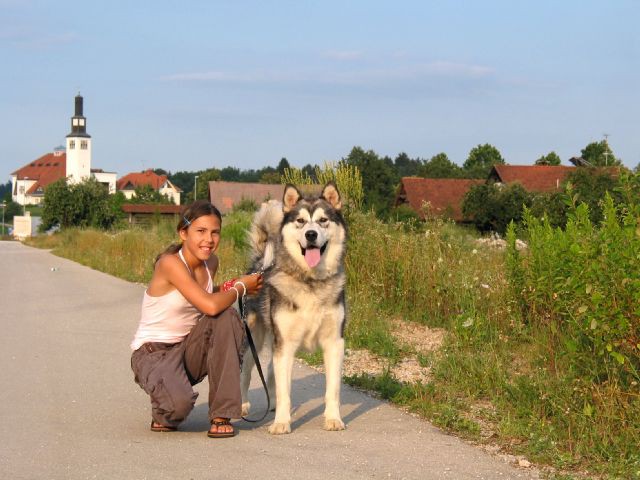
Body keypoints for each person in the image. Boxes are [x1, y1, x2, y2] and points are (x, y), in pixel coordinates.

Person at [130, 200, 262, 438]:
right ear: (184, 233)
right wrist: (240, 288)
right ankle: (165, 404)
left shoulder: (211, 262)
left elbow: (206, 297)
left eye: (215, 232)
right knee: (176, 410)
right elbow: (210, 306)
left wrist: (233, 285)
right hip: (153, 353)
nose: (209, 240)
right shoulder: (169, 263)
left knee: (227, 317)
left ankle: (222, 413)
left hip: (187, 349)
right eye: (200, 231)